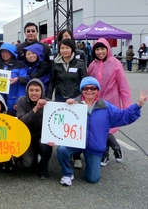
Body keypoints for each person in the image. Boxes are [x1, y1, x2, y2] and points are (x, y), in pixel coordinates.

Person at [56, 76, 147, 186]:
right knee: (62, 149)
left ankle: (91, 165)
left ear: (97, 90)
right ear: (81, 90)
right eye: (85, 88)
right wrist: (66, 106)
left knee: (93, 179)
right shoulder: (73, 104)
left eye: (93, 88)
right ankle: (67, 173)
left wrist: (138, 105)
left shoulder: (106, 107)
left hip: (94, 146)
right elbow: (57, 122)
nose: (89, 90)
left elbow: (124, 116)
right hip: (76, 143)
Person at [88, 38, 132, 166]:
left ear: (108, 49)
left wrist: (127, 106)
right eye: (97, 49)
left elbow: (123, 86)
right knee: (99, 128)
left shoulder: (115, 63)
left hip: (111, 102)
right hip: (96, 102)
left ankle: (112, 150)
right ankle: (108, 151)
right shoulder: (92, 65)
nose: (100, 52)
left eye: (103, 49)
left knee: (107, 129)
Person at [16, 78, 53, 179]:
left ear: (42, 92)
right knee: (27, 165)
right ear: (27, 91)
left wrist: (72, 104)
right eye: (31, 90)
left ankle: (43, 169)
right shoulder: (21, 101)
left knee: (46, 144)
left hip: (42, 138)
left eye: (37, 90)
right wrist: (36, 108)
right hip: (27, 139)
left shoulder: (49, 103)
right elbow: (22, 122)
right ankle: (33, 157)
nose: (34, 93)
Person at [0, 43, 27, 115]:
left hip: (13, 101)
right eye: (2, 52)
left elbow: (22, 85)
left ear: (12, 52)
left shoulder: (20, 65)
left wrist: (18, 101)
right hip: (0, 101)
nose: (4, 54)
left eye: (6, 52)